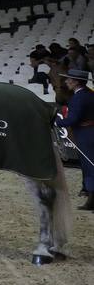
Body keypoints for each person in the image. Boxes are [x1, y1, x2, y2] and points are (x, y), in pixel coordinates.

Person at [55, 68, 94, 210]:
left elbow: (73, 119)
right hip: (89, 132)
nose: (66, 81)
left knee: (89, 165)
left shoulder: (79, 97)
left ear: (76, 82)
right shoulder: (90, 93)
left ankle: (91, 199)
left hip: (85, 133)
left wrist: (56, 122)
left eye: (69, 79)